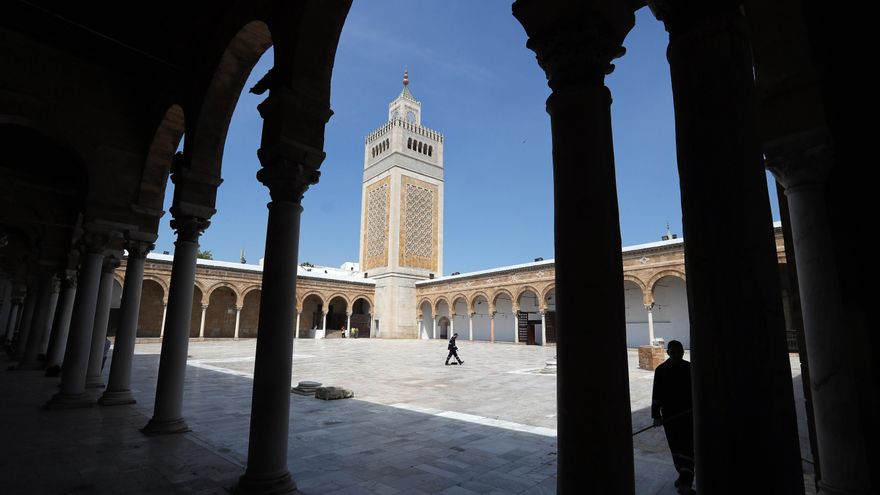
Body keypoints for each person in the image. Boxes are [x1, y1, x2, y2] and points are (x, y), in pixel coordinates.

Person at [651, 340, 695, 495]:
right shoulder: (661, 370)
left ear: (683, 352)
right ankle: (682, 474)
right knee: (675, 448)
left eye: (680, 351)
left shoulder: (689, 368)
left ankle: (685, 483)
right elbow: (656, 395)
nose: (677, 354)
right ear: (668, 353)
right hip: (670, 417)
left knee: (688, 449)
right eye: (673, 352)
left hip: (687, 416)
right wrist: (656, 415)